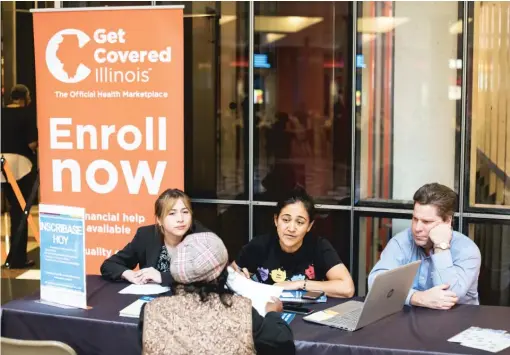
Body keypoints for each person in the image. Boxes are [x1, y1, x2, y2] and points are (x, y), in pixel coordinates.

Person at [139, 232, 295, 355]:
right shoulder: (241, 310)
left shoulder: (151, 310)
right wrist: (273, 314)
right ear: (222, 273)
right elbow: (282, 344)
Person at [368, 183, 481, 310]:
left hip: (457, 321)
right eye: (415, 219)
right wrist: (417, 297)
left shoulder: (467, 249)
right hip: (410, 320)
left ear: (447, 221)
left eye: (427, 222)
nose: (417, 228)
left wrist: (441, 247)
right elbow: (376, 283)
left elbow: (450, 296)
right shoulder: (401, 241)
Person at [232, 188, 355, 298]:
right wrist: (238, 278)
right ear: (276, 220)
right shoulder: (259, 246)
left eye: (300, 222)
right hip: (265, 316)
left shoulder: (319, 246)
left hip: (305, 315)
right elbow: (231, 275)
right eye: (286, 220)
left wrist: (299, 284)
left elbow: (347, 288)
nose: (291, 228)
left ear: (309, 226)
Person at [100, 188, 209, 286]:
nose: (180, 219)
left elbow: (207, 275)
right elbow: (109, 265)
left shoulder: (200, 236)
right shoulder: (146, 235)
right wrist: (127, 273)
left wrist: (162, 277)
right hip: (153, 301)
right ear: (159, 219)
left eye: (185, 212)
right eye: (172, 213)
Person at [1, 84, 38, 269]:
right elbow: (32, 144)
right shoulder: (27, 114)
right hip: (21, 165)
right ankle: (18, 258)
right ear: (25, 97)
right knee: (21, 211)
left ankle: (13, 256)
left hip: (2, 164)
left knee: (14, 208)